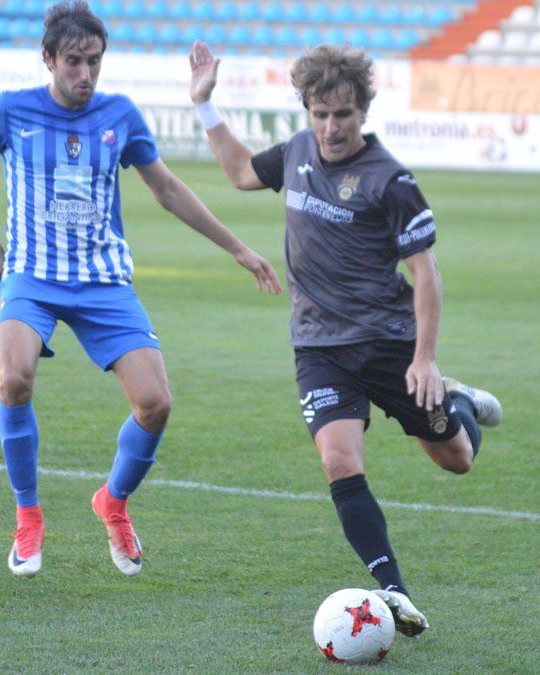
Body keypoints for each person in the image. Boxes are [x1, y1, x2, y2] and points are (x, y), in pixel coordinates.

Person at [0, 2, 281, 578]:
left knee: (156, 404)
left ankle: (113, 503)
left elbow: (167, 189)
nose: (85, 74)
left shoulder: (120, 115)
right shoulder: (9, 112)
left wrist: (238, 248)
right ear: (47, 59)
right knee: (14, 376)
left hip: (104, 281)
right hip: (33, 276)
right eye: (74, 61)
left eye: (94, 62)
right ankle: (28, 516)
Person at [188, 40, 502, 637]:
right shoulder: (300, 151)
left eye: (343, 115)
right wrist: (205, 106)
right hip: (319, 349)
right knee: (338, 460)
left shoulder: (391, 180)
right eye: (321, 114)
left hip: (390, 346)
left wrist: (426, 358)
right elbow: (239, 172)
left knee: (455, 459)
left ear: (363, 112)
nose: (331, 128)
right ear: (307, 110)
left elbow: (426, 274)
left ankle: (458, 400)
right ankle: (396, 593)